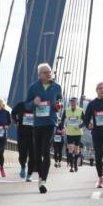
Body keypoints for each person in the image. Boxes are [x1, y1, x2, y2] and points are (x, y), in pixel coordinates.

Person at [24, 62, 64, 194]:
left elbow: (60, 101)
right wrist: (33, 103)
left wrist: (59, 106)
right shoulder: (33, 87)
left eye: (50, 72)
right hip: (38, 124)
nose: (48, 74)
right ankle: (41, 175)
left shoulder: (56, 87)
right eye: (45, 72)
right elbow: (27, 106)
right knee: (37, 154)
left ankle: (43, 180)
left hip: (51, 122)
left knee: (45, 150)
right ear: (39, 75)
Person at [11, 100, 33, 179]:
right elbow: (13, 112)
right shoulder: (21, 105)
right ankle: (23, 167)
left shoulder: (37, 106)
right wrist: (15, 121)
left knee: (32, 155)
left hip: (33, 134)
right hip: (22, 133)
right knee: (22, 154)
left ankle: (29, 174)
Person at [63, 96, 85, 173]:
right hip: (69, 133)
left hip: (78, 133)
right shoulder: (66, 110)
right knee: (70, 149)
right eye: (71, 101)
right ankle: (71, 166)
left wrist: (79, 126)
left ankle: (75, 164)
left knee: (76, 150)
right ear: (70, 102)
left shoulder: (80, 110)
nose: (72, 103)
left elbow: (85, 121)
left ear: (77, 102)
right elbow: (62, 120)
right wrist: (63, 127)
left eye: (74, 101)